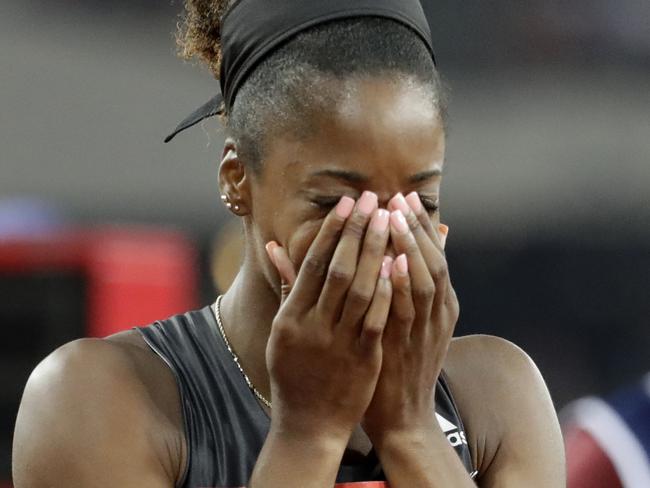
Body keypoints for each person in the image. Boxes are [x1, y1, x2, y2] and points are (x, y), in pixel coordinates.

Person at [11, 1, 566, 486]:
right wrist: (309, 433)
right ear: (237, 179)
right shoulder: (99, 400)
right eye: (333, 205)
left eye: (420, 205)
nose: (383, 238)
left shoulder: (495, 394)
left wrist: (409, 427)